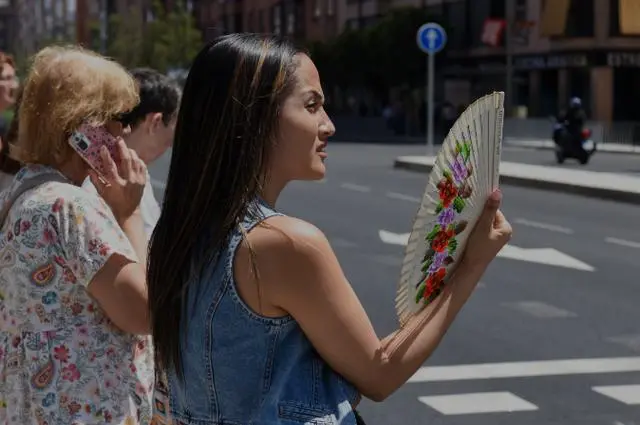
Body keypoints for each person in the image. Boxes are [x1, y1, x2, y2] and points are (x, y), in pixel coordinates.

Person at [147, 33, 512, 425]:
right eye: (312, 105)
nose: (329, 125)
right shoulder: (283, 245)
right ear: (255, 115)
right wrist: (471, 264)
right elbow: (380, 373)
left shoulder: (175, 235)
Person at [0, 45, 153, 424]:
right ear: (83, 126)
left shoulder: (20, 195)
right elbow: (144, 312)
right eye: (117, 118)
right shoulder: (69, 206)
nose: (125, 131)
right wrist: (130, 212)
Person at [85, 67, 181, 240]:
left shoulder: (136, 174)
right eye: (174, 124)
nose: (172, 143)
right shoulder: (101, 184)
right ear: (156, 122)